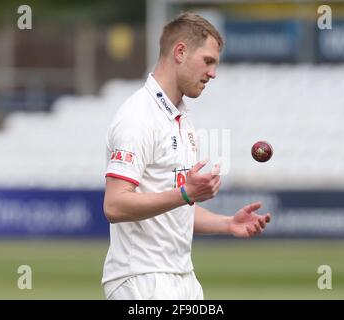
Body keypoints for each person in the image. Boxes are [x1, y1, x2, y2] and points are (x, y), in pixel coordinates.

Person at [101, 12, 271, 300]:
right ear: (180, 51)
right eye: (208, 61)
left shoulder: (180, 118)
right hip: (142, 279)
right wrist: (185, 193)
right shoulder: (137, 117)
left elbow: (177, 210)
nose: (213, 73)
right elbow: (115, 206)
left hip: (182, 278)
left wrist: (227, 223)